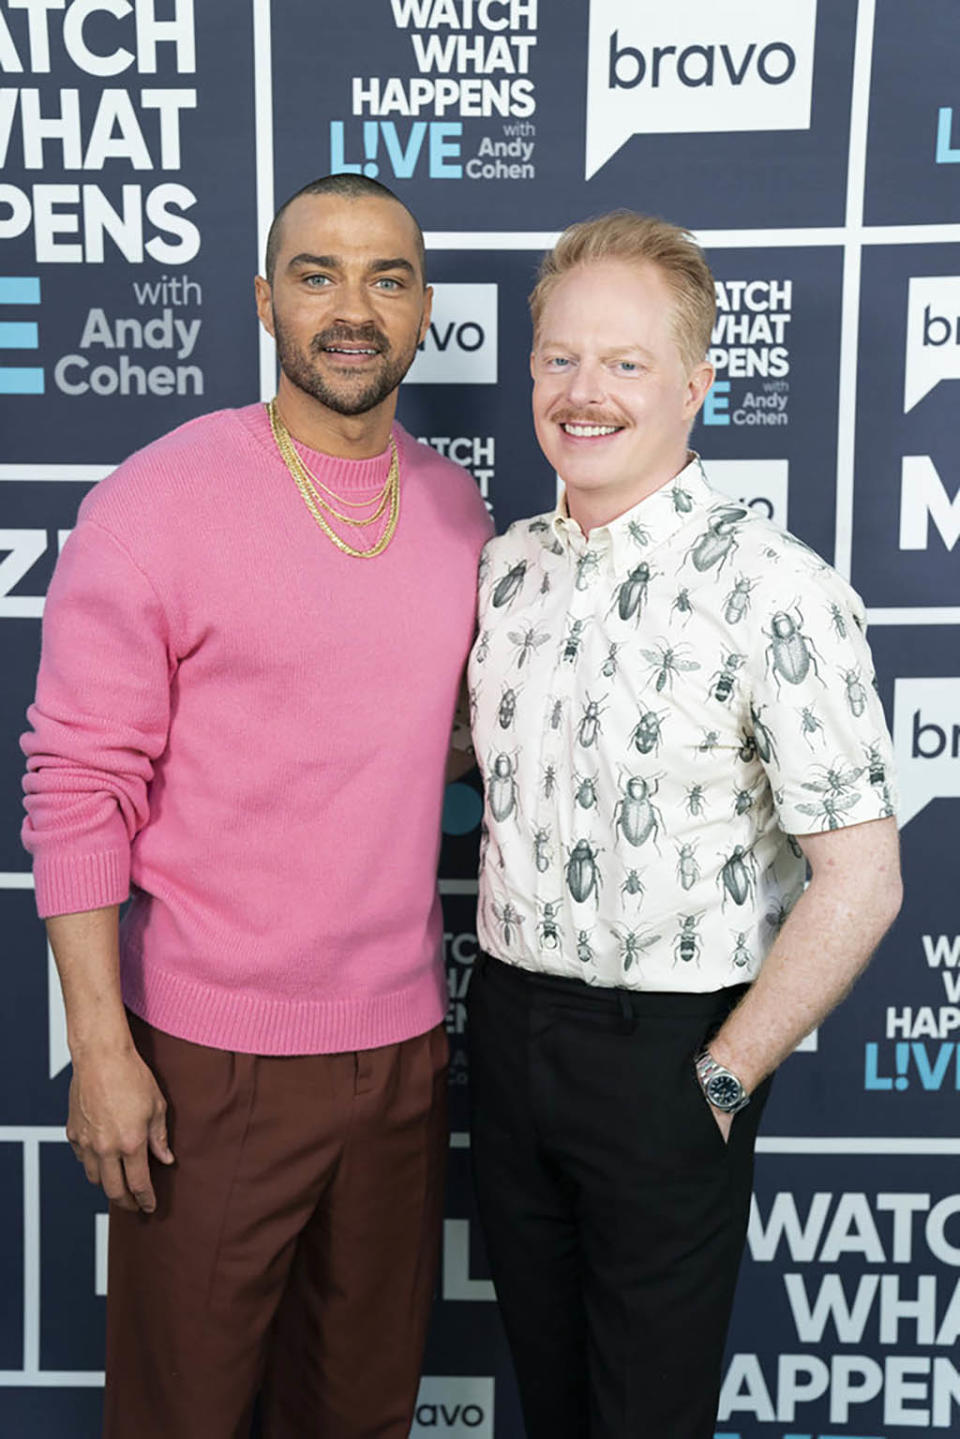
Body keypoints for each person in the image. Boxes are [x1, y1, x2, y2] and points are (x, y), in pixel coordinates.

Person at [20, 173, 492, 1439]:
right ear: (265, 298)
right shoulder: (156, 499)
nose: (353, 308)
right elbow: (77, 785)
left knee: (362, 1414)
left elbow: (422, 734)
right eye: (318, 273)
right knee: (183, 1415)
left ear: (426, 309)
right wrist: (104, 1048)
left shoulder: (459, 510)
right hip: (206, 1061)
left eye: (387, 277)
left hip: (401, 1054)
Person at [466, 211, 902, 1439]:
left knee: (646, 1417)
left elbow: (863, 877)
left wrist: (721, 1074)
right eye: (559, 358)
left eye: (624, 362)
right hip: (507, 1027)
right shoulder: (506, 571)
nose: (583, 392)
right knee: (549, 1403)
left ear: (697, 384)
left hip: (671, 1051)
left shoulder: (776, 586)